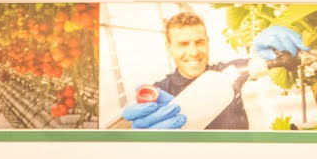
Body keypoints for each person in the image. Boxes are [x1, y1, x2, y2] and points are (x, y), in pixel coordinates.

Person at [120, 12, 303, 131]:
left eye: (199, 42)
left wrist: (278, 50)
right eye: (183, 44)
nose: (193, 52)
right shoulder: (161, 92)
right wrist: (142, 136)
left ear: (207, 42)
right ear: (169, 47)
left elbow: (259, 63)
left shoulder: (228, 73)